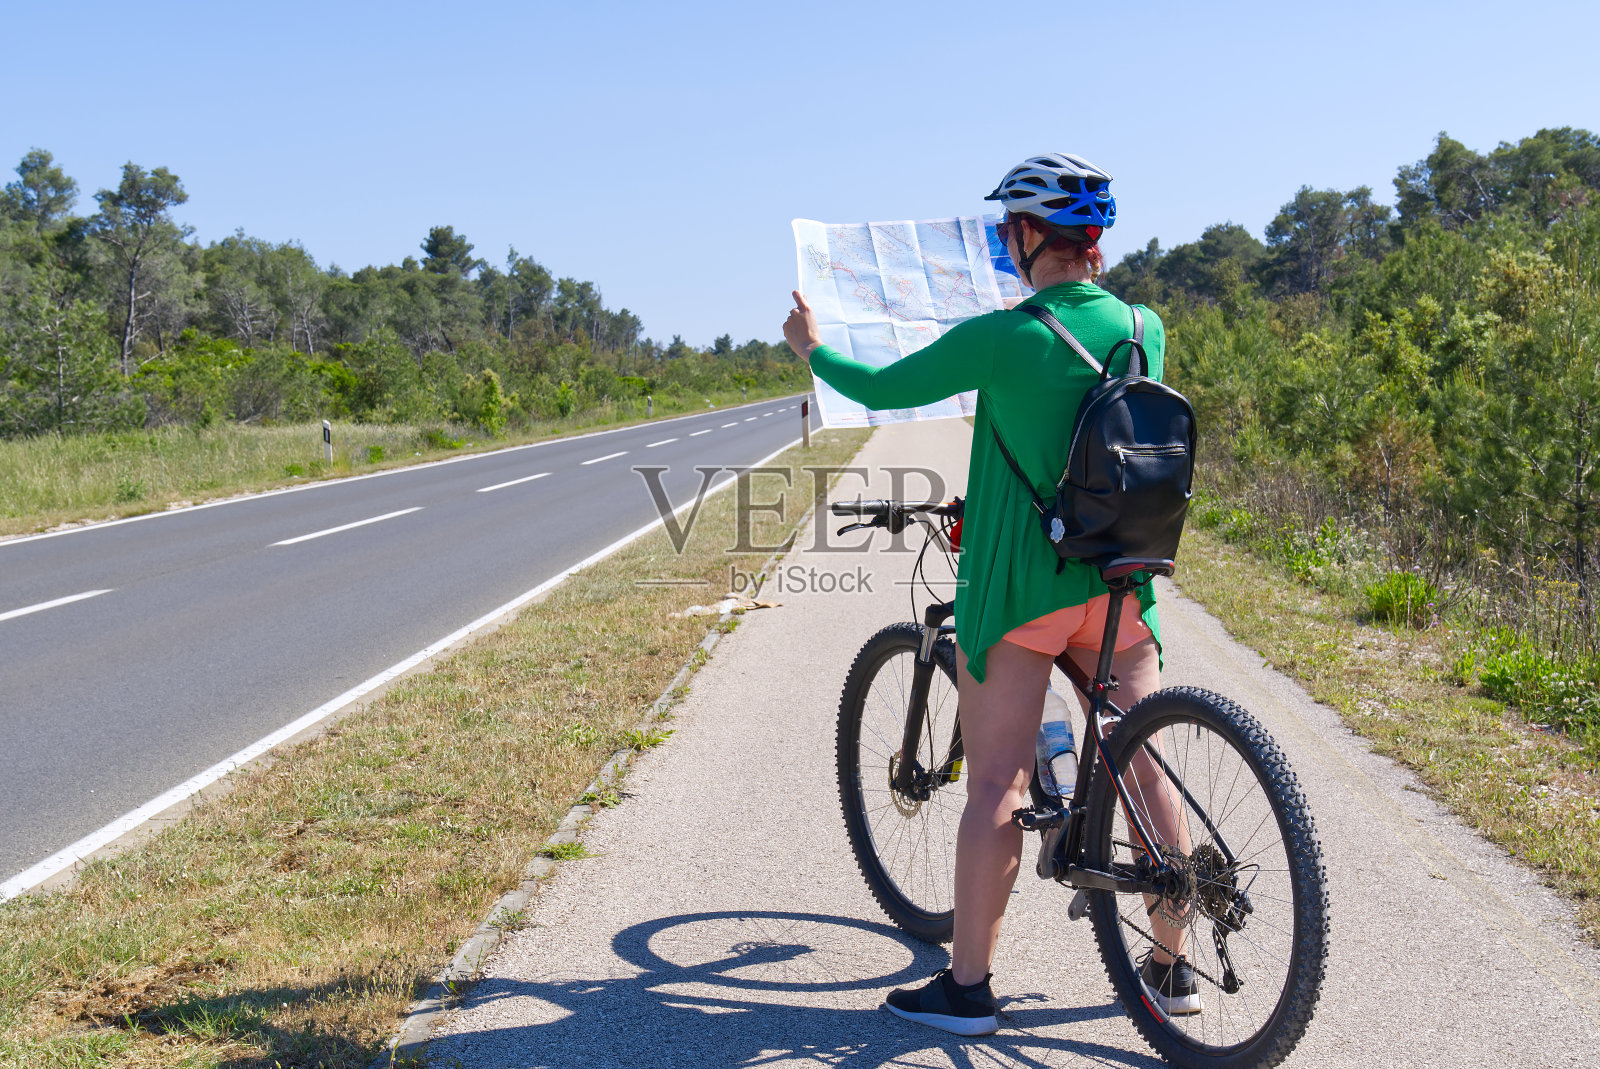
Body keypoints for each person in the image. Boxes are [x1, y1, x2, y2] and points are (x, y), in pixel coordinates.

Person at [782, 153, 1197, 1036]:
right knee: (1141, 763)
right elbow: (1083, 440)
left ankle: (968, 989)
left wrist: (811, 348)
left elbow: (883, 388)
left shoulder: (1007, 338)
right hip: (1120, 585)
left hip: (1023, 592)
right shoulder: (1143, 327)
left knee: (996, 786)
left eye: (1006, 229)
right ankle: (1172, 962)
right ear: (1093, 241)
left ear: (1024, 235)